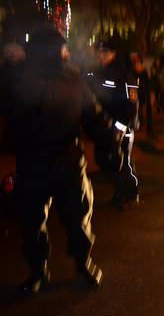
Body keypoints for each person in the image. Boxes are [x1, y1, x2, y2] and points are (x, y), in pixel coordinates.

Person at [3, 25, 122, 294]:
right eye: (63, 47)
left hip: (67, 160)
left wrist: (111, 141)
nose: (68, 52)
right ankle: (38, 271)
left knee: (78, 216)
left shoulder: (72, 79)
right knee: (32, 222)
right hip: (33, 161)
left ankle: (82, 262)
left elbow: (93, 114)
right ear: (53, 51)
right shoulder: (20, 79)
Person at [88, 41, 140, 209]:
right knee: (102, 159)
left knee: (124, 162)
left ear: (114, 53)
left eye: (105, 52)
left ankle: (131, 194)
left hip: (122, 127)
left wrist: (121, 126)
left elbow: (132, 104)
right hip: (104, 126)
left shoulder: (124, 74)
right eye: (99, 52)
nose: (101, 55)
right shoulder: (99, 73)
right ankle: (120, 188)